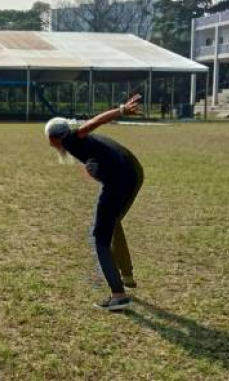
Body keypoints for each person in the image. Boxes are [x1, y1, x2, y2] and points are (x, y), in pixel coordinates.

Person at [45, 94, 144, 311]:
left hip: (120, 182)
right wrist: (95, 171)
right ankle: (126, 275)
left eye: (49, 140)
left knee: (100, 238)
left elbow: (95, 122)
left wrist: (121, 110)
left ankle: (118, 295)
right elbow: (101, 159)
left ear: (55, 138)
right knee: (113, 222)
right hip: (131, 174)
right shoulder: (77, 142)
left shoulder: (72, 138)